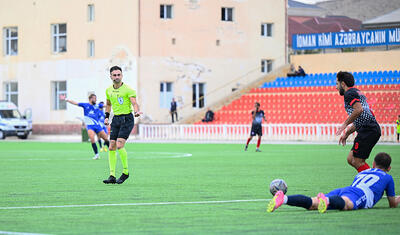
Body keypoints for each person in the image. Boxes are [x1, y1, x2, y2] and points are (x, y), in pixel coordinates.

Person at [267, 152, 400, 213]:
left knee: (314, 204)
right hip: (360, 194)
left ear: (373, 164)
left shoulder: (363, 172)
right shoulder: (388, 178)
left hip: (346, 189)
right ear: (388, 168)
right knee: (347, 205)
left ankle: (284, 199)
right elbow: (392, 204)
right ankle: (328, 200)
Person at [335, 71, 381, 173]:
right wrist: (346, 133)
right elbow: (361, 118)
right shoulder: (356, 92)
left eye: (337, 84)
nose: (336, 87)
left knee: (357, 161)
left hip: (368, 130)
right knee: (351, 158)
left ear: (343, 84)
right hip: (370, 128)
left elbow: (358, 110)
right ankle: (370, 179)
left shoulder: (349, 94)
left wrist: (344, 124)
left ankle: (373, 182)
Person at [103, 66, 141, 184]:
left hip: (127, 119)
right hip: (116, 119)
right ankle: (112, 176)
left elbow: (134, 103)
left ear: (122, 75)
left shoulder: (128, 89)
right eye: (114, 75)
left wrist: (136, 111)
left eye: (118, 75)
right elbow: (108, 104)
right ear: (110, 76)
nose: (116, 77)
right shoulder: (108, 90)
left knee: (119, 145)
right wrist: (106, 117)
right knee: (111, 146)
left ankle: (125, 172)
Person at [64, 94, 110, 160]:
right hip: (90, 126)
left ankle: (112, 151)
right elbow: (76, 103)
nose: (96, 100)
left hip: (97, 126)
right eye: (95, 98)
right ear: (90, 99)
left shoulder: (97, 105)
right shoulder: (85, 105)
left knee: (106, 138)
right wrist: (68, 100)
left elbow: (106, 105)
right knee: (92, 139)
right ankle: (96, 155)